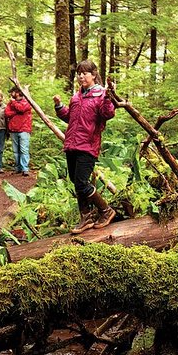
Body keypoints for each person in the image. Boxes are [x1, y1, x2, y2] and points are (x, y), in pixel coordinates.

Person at [53, 59, 117, 234]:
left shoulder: (101, 94)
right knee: (76, 181)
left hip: (87, 145)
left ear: (94, 75)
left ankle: (106, 210)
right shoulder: (77, 95)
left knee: (81, 182)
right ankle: (86, 217)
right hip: (72, 143)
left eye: (85, 73)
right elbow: (71, 118)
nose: (81, 76)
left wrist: (108, 98)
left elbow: (107, 114)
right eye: (79, 73)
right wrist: (59, 107)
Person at [4, 86, 32, 176]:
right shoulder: (10, 103)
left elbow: (22, 109)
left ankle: (25, 168)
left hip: (24, 129)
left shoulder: (26, 101)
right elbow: (6, 113)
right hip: (13, 129)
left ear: (17, 92)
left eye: (12, 92)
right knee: (16, 151)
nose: (10, 94)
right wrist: (16, 112)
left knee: (24, 149)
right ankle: (18, 168)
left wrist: (14, 104)